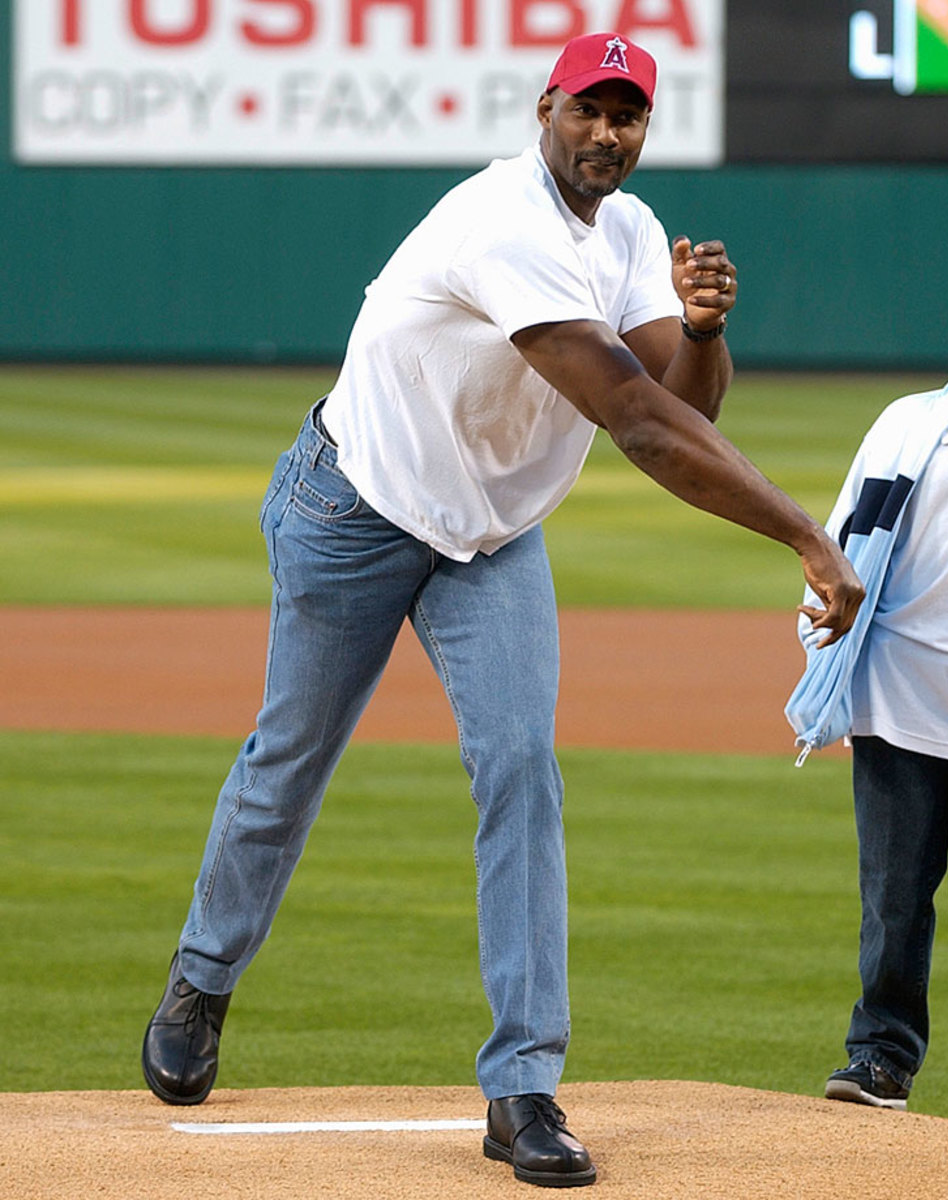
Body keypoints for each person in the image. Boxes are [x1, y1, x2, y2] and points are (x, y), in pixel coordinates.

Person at [142, 30, 863, 1187]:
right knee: (290, 760)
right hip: (357, 506)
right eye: (588, 109)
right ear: (545, 108)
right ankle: (202, 978)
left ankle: (521, 1087)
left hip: (488, 538)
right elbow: (635, 426)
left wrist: (705, 336)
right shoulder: (503, 222)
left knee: (522, 768)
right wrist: (801, 533)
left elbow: (686, 401)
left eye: (627, 115)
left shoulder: (623, 231)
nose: (606, 134)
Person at [790, 263, 948, 1114]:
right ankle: (880, 1057)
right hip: (903, 704)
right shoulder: (911, 428)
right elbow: (842, 546)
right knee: (894, 899)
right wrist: (823, 649)